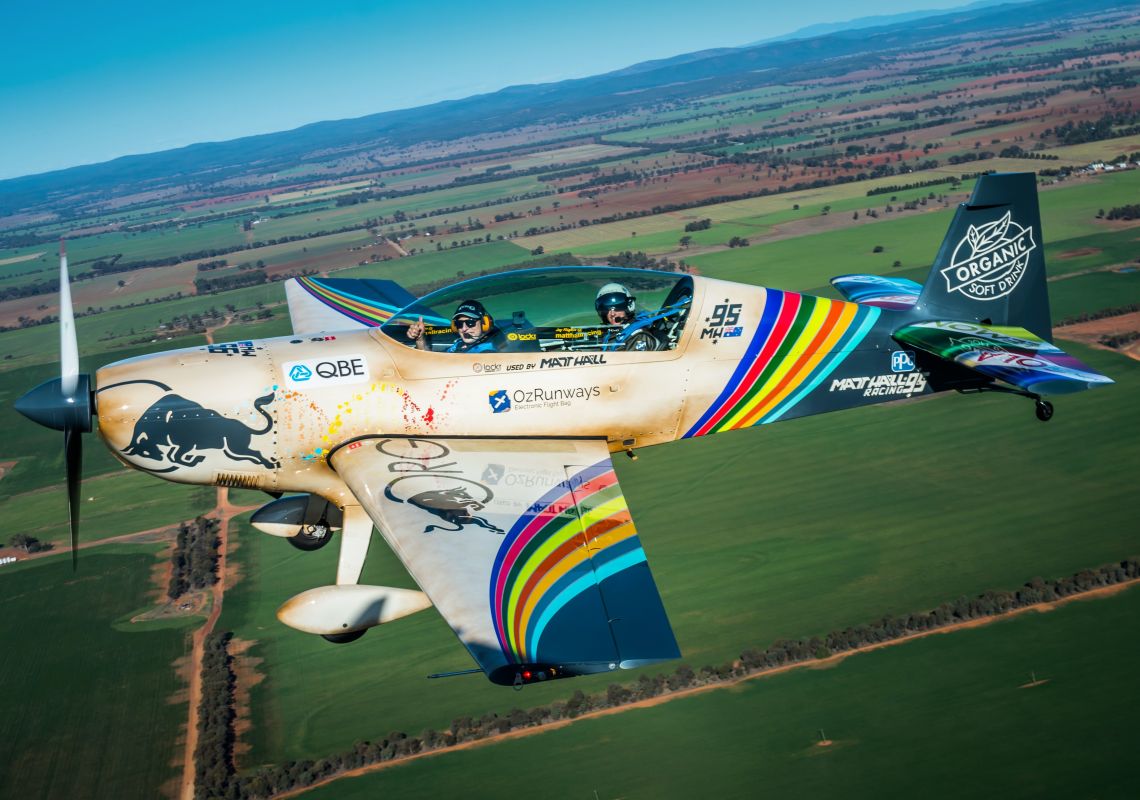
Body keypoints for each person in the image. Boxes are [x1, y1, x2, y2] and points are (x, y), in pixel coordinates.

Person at [405, 299, 500, 353]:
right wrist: (420, 338)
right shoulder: (459, 344)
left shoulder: (487, 351)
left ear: (485, 323)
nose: (464, 329)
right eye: (459, 324)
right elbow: (431, 363)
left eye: (470, 323)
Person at [595, 283, 662, 351]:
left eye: (618, 307)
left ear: (628, 307)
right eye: (607, 309)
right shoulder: (612, 333)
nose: (612, 314)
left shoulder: (638, 336)